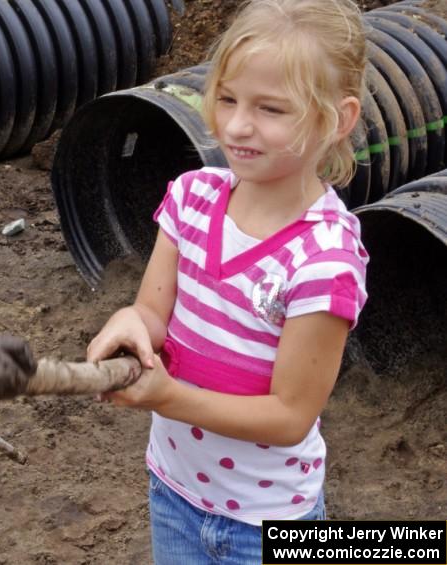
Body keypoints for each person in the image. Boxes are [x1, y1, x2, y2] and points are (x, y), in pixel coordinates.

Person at [86, 1, 369, 563]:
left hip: (268, 528)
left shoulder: (325, 257)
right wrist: (127, 322)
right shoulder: (192, 198)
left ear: (337, 120)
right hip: (174, 493)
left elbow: (289, 416)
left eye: (271, 109)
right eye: (228, 98)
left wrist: (169, 397)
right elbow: (151, 314)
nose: (238, 126)